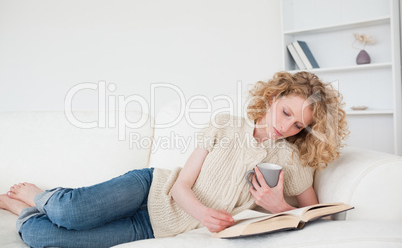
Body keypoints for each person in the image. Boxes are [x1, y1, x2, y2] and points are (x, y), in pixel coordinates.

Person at [0, 71, 349, 248]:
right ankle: (40, 197)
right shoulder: (225, 125)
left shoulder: (292, 159)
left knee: (43, 239)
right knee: (70, 212)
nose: (285, 126)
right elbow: (182, 184)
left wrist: (277, 206)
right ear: (273, 97)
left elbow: (317, 215)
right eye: (286, 111)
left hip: (154, 227)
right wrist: (201, 214)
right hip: (150, 187)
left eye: (298, 124)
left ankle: (24, 211)